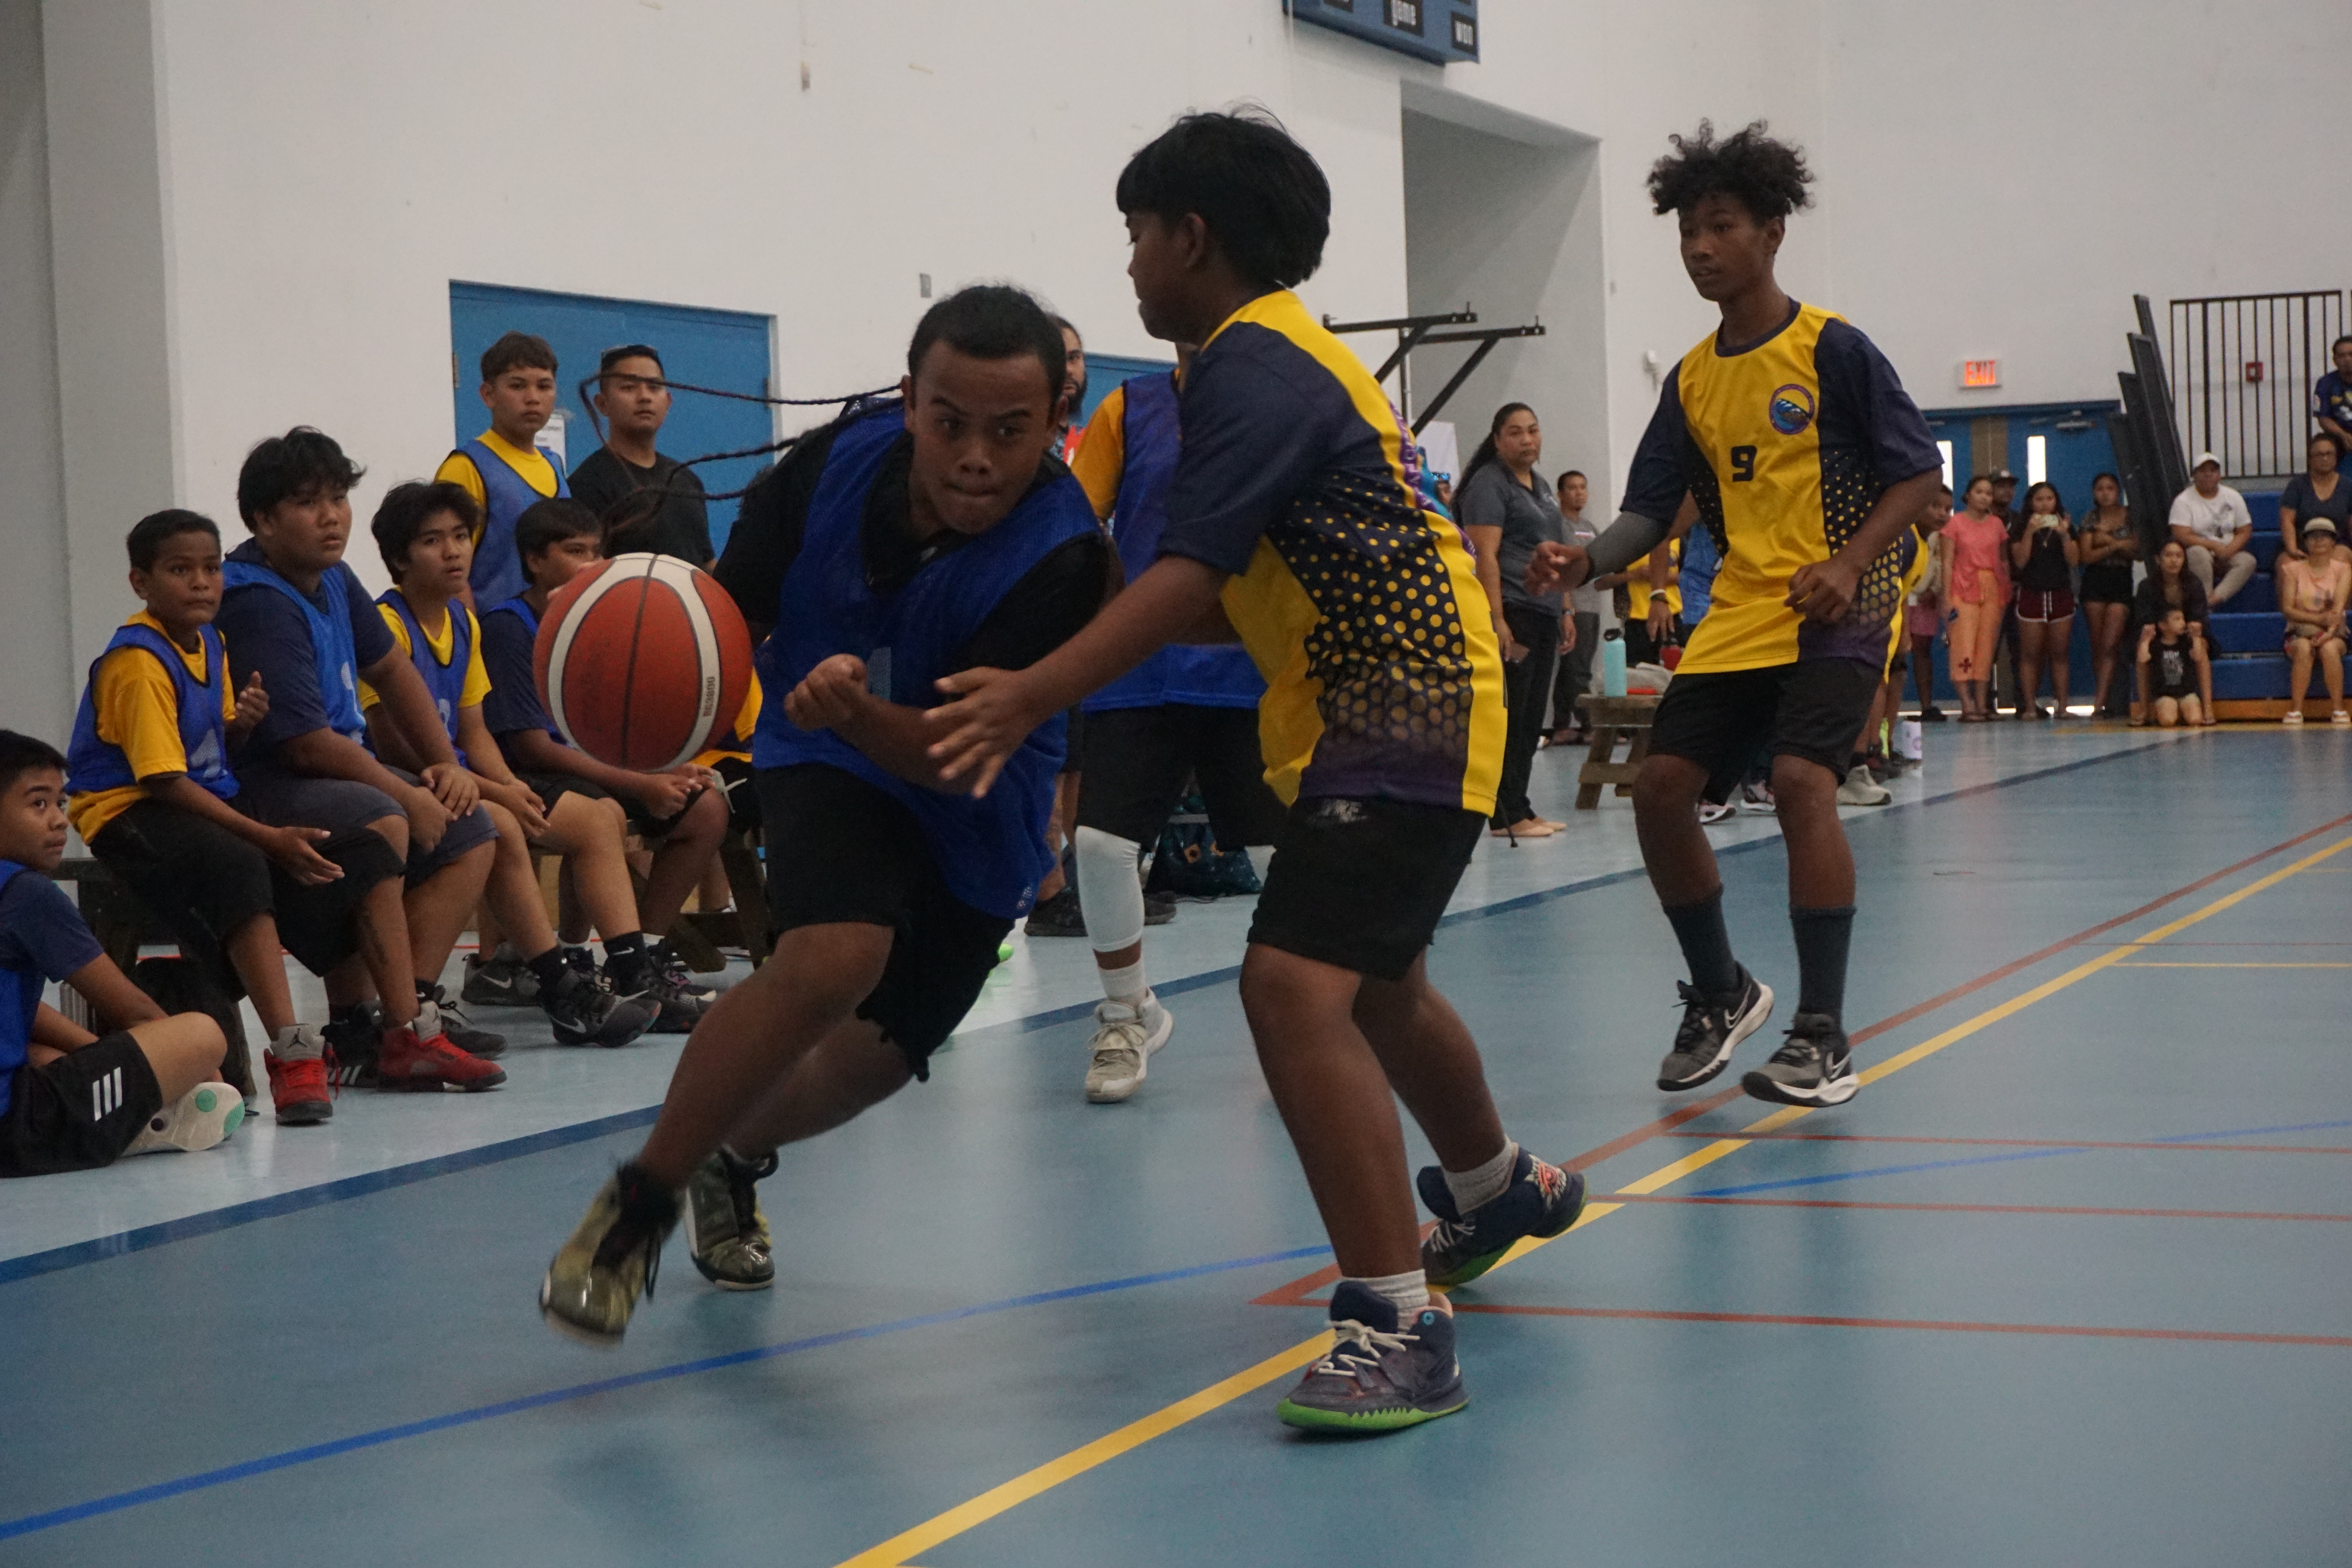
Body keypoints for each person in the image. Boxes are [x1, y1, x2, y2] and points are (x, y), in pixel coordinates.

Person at [923, 113, 1584, 1434]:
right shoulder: (1268, 363)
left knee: (1290, 986)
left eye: (1135, 236)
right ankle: (1497, 1184)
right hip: (1385, 701)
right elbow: (1239, 598)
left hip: (1412, 700)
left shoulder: (1252, 365)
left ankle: (1399, 1319)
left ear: (1191, 237)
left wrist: (1033, 691)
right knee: (1378, 983)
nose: (1126, 267)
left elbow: (1188, 582)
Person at [539, 284, 1116, 1323]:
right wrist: (618, 635)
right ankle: (640, 1205)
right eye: (950, 423)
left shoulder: (1065, 557)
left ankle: (734, 1151)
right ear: (907, 402)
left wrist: (853, 712)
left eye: (1009, 432)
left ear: (1052, 428)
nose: (976, 456)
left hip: (971, 801)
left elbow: (953, 756)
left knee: (869, 1067)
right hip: (824, 751)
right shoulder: (832, 466)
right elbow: (728, 608)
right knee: (832, 957)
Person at [1527, 119, 1942, 1109]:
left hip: (1850, 591)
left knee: (1802, 779)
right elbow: (1648, 507)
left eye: (1719, 227)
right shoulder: (1695, 380)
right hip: (1748, 605)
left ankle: (1823, 1033)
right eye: (1685, 232)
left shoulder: (1833, 349)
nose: (1699, 248)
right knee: (1662, 787)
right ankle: (1721, 991)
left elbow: (1920, 474)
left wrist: (1847, 562)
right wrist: (1583, 559)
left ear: (1772, 232)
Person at [64, 509, 385, 1126]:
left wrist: (241, 725)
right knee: (243, 860)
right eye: (180, 570)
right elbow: (163, 780)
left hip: (193, 799)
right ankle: (292, 1053)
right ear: (141, 583)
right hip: (128, 814)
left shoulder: (212, 642)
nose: (202, 583)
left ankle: (393, 1026)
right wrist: (266, 836)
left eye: (211, 569)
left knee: (353, 847)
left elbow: (206, 753)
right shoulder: (138, 661)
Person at [214, 428, 507, 1089]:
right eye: (309, 503)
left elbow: (394, 668)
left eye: (339, 498)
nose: (332, 516)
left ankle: (388, 1017)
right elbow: (303, 743)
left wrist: (447, 765)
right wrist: (406, 792)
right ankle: (397, 1032)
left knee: (473, 825)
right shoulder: (256, 599)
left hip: (330, 769)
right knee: (384, 817)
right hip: (267, 780)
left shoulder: (335, 576)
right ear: (264, 520)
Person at [359, 483, 655, 1047]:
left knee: (597, 819)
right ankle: (554, 987)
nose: (453, 552)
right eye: (432, 541)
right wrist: (495, 794)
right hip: (406, 781)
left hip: (461, 777)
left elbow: (473, 730)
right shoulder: (386, 626)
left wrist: (509, 784)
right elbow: (394, 746)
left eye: (459, 538)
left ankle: (631, 972)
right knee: (501, 829)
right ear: (400, 558)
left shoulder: (463, 623)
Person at [1064, 347, 1283, 1102]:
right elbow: (1071, 523)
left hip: (1252, 666)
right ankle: (1127, 1012)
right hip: (1139, 661)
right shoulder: (1129, 409)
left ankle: (1309, 1012)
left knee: (1284, 854)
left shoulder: (1285, 400)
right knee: (1098, 845)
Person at [476, 498, 730, 1028]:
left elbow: (619, 728)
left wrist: (666, 768)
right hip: (530, 776)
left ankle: (653, 953)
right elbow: (533, 748)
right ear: (535, 561)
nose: (592, 565)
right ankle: (620, 968)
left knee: (705, 808)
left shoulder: (609, 622)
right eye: (575, 551)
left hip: (590, 772)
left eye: (597, 551)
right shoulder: (508, 627)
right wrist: (642, 785)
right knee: (600, 816)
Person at [0, 731, 242, 1175]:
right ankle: (133, 1126)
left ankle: (121, 1113)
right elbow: (135, 1011)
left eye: (60, 804)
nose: (59, 821)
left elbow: (24, 1013)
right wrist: (185, 1067)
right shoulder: (26, 893)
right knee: (202, 1034)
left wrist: (96, 1056)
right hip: (14, 1134)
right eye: (38, 804)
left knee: (42, 1054)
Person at [1457, 401, 1570, 840]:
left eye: (1533, 431)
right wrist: (1497, 619)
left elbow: (1555, 550)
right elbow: (1484, 555)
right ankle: (1504, 813)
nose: (1527, 440)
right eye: (1516, 432)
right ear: (1498, 440)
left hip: (1543, 611)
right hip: (1514, 612)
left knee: (1531, 717)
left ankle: (1521, 806)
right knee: (1513, 712)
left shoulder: (1540, 486)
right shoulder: (1490, 484)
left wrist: (1565, 609)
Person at [436, 332, 570, 608]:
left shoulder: (554, 464)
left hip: (551, 635)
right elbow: (448, 573)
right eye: (518, 386)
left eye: (544, 386)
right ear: (488, 395)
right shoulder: (466, 467)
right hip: (494, 637)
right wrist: (472, 644)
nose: (533, 398)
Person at [565, 344, 715, 567]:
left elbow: (706, 563)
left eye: (654, 387)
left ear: (668, 401)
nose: (644, 397)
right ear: (602, 404)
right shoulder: (588, 484)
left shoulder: (686, 481)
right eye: (629, 387)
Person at [1941, 474, 2011, 720]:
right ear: (1968, 494)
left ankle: (1982, 703)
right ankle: (1967, 704)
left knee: (1986, 646)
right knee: (1963, 644)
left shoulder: (1997, 525)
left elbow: (2003, 560)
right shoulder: (1955, 524)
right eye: (1979, 492)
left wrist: (2006, 589)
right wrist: (1946, 596)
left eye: (1989, 493)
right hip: (1962, 588)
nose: (1985, 497)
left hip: (1991, 587)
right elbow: (1947, 562)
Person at [2008, 481, 2078, 719]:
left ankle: (2063, 707)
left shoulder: (2065, 526)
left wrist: (2065, 534)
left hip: (2060, 593)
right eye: (2039, 499)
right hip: (2032, 594)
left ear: (2056, 501)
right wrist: (2030, 531)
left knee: (2060, 653)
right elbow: (2019, 562)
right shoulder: (2020, 526)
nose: (2045, 504)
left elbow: (2075, 561)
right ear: (2031, 502)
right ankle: (2029, 707)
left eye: (2049, 498)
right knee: (2030, 653)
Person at [2131, 538, 2214, 724]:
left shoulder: (2193, 584)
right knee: (2142, 647)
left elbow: (2200, 616)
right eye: (2168, 556)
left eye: (2179, 556)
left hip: (2186, 633)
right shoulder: (2147, 585)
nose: (2174, 561)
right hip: (2159, 634)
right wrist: (2151, 630)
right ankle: (2144, 709)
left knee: (2201, 645)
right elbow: (2143, 617)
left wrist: (2194, 628)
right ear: (2158, 559)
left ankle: (2208, 708)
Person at [2277, 517, 2350, 725]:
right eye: (2314, 537)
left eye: (2325, 537)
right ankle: (2296, 710)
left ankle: (2338, 709)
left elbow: (2338, 608)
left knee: (2328, 649)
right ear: (2306, 542)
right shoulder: (2293, 570)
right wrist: (2318, 619)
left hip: (2334, 630)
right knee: (2302, 648)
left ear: (2334, 542)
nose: (2319, 542)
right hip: (2299, 630)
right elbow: (2288, 610)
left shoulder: (2343, 570)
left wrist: (2328, 632)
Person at [2076, 472, 2138, 717]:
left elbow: (2139, 550)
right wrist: (2117, 545)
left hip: (2121, 582)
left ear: (2118, 491)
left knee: (2112, 644)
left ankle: (2102, 701)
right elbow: (2086, 557)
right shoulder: (2090, 518)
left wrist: (2106, 541)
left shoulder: (2131, 517)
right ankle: (2102, 701)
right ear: (2094, 493)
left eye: (2110, 488)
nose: (2105, 493)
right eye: (2100, 488)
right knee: (2098, 644)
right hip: (2095, 582)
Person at [1550, 470, 1602, 743]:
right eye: (1572, 488)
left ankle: (1564, 725)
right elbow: (1557, 572)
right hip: (1575, 606)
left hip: (1593, 605)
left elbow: (1603, 566)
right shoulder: (1558, 526)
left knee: (1578, 666)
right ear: (1560, 494)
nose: (1579, 493)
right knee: (1577, 668)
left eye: (1583, 487)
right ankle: (1587, 725)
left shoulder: (1590, 528)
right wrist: (1567, 611)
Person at [2169, 452, 2256, 606]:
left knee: (2248, 561)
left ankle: (2213, 601)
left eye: (2213, 471)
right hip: (2200, 553)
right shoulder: (2183, 501)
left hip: (2229, 552)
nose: (2208, 475)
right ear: (2194, 475)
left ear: (2219, 476)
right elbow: (2181, 534)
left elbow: (2245, 529)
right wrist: (2213, 546)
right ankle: (2204, 599)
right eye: (2202, 471)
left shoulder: (2233, 496)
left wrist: (2229, 550)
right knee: (2197, 554)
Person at [1902, 484, 1953, 722]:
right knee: (1894, 654)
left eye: (1948, 509)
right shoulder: (1903, 534)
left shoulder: (1943, 538)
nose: (1942, 513)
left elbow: (1943, 566)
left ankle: (1927, 705)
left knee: (1922, 650)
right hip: (1901, 600)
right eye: (1935, 507)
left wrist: (1935, 590)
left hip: (1925, 600)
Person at [2278, 433, 2352, 566]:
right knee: (2288, 567)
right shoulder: (2297, 486)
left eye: (2329, 454)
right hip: (2301, 545)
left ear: (2336, 457)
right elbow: (2287, 520)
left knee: (2339, 562)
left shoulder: (2348, 487)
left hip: (2338, 544)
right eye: (2319, 455)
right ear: (2310, 459)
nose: (2325, 459)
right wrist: (2292, 549)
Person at [2137, 606, 2205, 728]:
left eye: (2183, 619)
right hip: (2165, 694)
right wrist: (2146, 640)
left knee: (2195, 720)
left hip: (2186, 693)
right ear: (2163, 625)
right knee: (2168, 721)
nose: (2183, 623)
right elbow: (2143, 659)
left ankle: (2183, 710)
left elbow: (2198, 657)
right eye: (2177, 620)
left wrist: (2196, 637)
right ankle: (2173, 710)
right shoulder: (2156, 645)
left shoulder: (2185, 642)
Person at [2313, 335, 2352, 459]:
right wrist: (2343, 435)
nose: (2347, 360)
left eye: (2351, 354)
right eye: (2342, 356)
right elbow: (2324, 418)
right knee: (2322, 446)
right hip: (2339, 437)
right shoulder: (2325, 383)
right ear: (2335, 360)